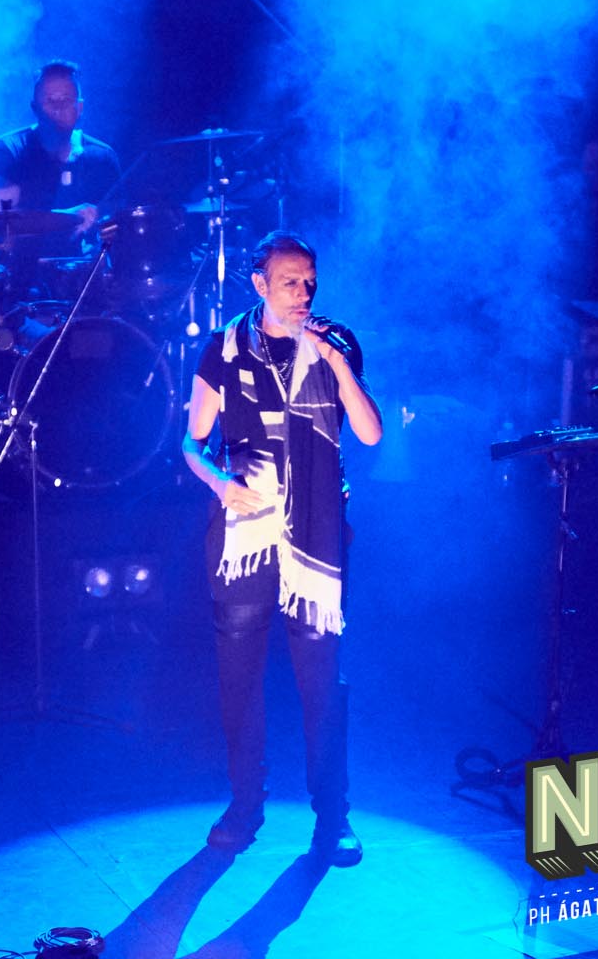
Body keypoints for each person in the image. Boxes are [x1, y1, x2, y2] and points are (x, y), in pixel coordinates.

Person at [181, 231, 382, 865]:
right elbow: (191, 443)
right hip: (246, 532)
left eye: (310, 282)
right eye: (290, 281)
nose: (303, 293)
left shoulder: (336, 341)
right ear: (260, 283)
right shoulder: (224, 348)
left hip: (316, 533)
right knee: (239, 678)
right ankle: (245, 804)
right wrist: (221, 484)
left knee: (321, 681)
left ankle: (332, 815)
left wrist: (337, 364)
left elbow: (370, 434)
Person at [0, 60, 121, 291]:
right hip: (16, 283)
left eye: (66, 99)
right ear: (34, 107)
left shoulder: (102, 157)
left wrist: (105, 226)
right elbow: (0, 218)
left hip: (83, 285)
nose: (59, 107)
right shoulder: (7, 150)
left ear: (80, 107)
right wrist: (68, 219)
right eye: (50, 100)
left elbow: (117, 222)